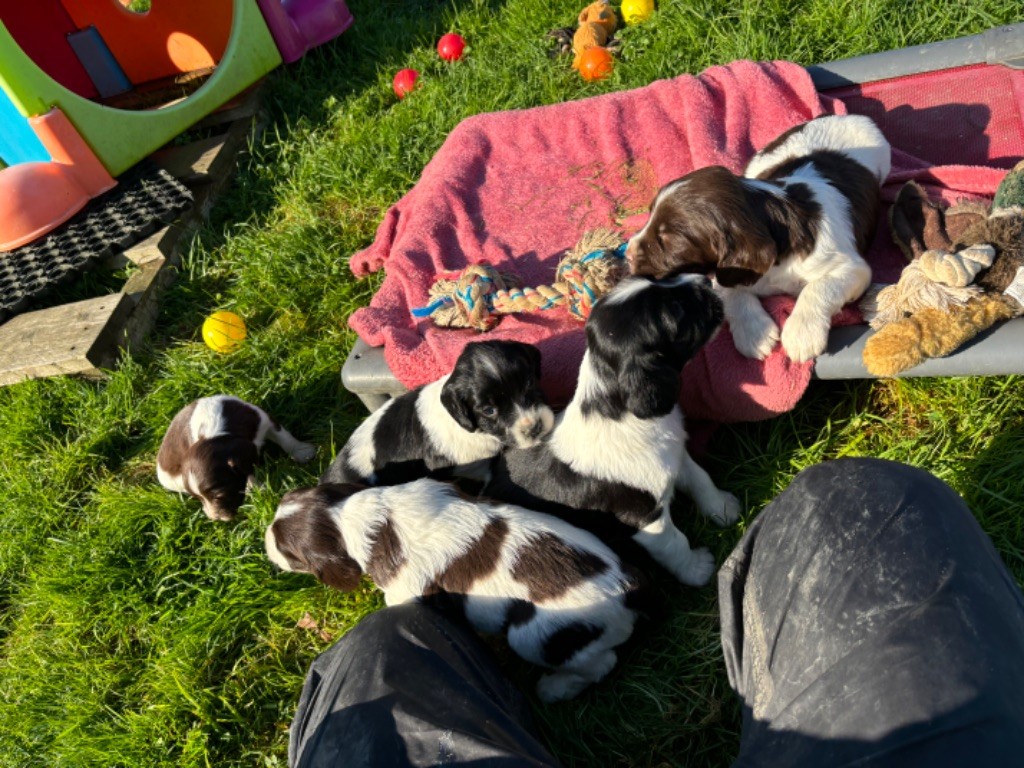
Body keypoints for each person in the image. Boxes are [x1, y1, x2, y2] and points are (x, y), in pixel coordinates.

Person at [286, 458, 1024, 767]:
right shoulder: (410, 501)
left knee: (384, 645)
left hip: (581, 614)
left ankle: (591, 660)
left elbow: (404, 601)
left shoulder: (396, 565)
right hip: (607, 576)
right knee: (858, 498)